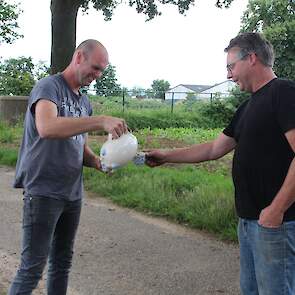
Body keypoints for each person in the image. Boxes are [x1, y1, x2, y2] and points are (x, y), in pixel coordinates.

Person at [145, 32, 295, 295]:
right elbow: (214, 148)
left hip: (277, 224)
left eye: (230, 66)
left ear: (251, 58)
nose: (228, 75)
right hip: (249, 222)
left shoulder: (284, 93)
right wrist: (165, 155)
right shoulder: (247, 108)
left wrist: (276, 210)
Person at [8, 39, 128, 294]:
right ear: (78, 57)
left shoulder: (84, 102)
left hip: (72, 193)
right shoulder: (49, 87)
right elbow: (47, 127)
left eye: (101, 71)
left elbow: (78, 145)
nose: (97, 75)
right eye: (95, 68)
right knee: (32, 268)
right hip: (43, 191)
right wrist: (100, 121)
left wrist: (96, 161)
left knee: (62, 263)